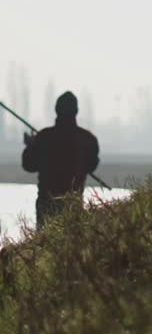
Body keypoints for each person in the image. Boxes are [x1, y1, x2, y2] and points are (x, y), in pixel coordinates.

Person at [21, 91, 100, 230]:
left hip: (46, 204)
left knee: (45, 241)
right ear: (76, 111)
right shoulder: (88, 139)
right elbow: (92, 165)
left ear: (56, 110)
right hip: (74, 204)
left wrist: (30, 146)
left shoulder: (44, 137)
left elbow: (28, 165)